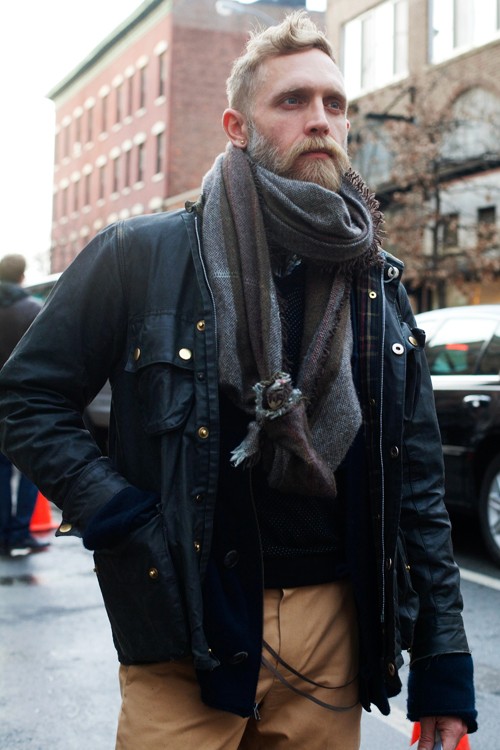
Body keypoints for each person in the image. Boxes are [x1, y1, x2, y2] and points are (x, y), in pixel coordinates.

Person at [0, 12, 476, 750]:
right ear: (236, 124)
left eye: (333, 103)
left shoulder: (375, 281)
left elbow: (414, 480)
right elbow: (24, 397)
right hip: (188, 623)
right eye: (292, 102)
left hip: (333, 632)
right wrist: (118, 513)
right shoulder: (141, 255)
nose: (319, 120)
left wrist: (445, 666)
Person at [0, 253, 47, 555]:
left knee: (0, 474)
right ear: (22, 276)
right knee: (31, 471)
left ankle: (3, 533)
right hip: (23, 404)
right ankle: (20, 532)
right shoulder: (32, 310)